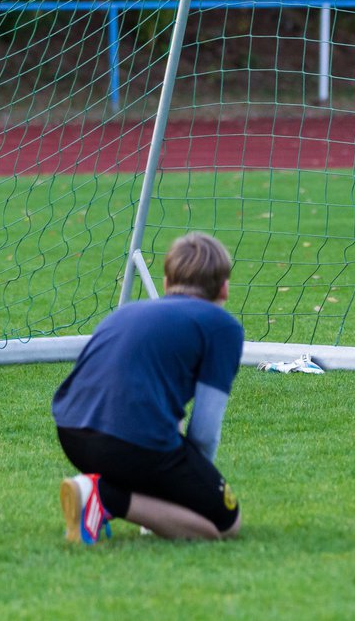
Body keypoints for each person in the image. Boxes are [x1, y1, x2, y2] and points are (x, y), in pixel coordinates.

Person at [51, 232, 245, 543]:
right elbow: (206, 430)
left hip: (71, 432)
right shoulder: (222, 326)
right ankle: (103, 497)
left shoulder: (127, 312)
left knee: (157, 442)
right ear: (224, 287)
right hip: (128, 443)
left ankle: (108, 495)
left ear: (167, 283)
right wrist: (186, 489)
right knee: (223, 524)